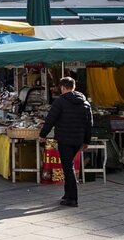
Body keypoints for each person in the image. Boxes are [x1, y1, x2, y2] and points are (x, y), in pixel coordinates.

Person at [40, 76, 93, 208]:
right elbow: (89, 124)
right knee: (69, 166)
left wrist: (43, 134)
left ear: (63, 88)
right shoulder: (85, 102)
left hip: (64, 139)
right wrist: (86, 140)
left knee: (68, 168)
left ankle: (73, 198)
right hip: (78, 139)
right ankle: (67, 195)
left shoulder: (60, 101)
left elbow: (51, 119)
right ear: (74, 87)